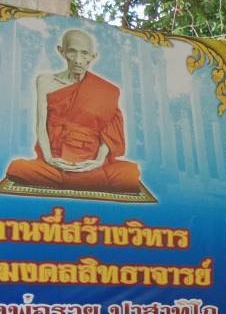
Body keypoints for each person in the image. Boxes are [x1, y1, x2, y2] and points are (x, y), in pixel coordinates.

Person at [4, 29, 147, 199]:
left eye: (84, 53)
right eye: (72, 51)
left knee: (129, 175)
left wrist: (99, 161)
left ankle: (79, 178)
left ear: (92, 56)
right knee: (17, 167)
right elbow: (40, 126)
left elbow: (109, 131)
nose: (78, 60)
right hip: (56, 160)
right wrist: (49, 159)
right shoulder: (45, 82)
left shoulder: (107, 90)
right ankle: (80, 179)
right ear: (62, 51)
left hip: (90, 161)